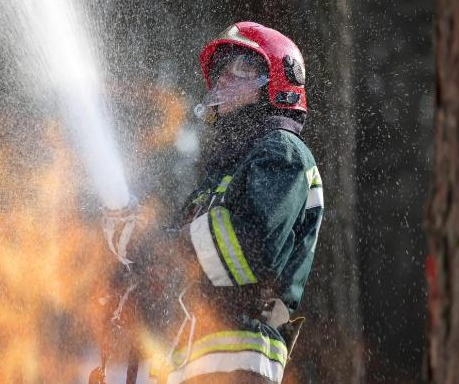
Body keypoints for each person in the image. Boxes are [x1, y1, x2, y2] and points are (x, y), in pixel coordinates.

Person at [103, 21, 323, 384]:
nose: (221, 81)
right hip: (196, 353)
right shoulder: (224, 175)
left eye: (240, 69)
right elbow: (176, 258)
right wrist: (134, 242)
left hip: (237, 354)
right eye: (220, 72)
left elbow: (249, 247)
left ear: (278, 81)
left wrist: (151, 246)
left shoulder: (283, 152)